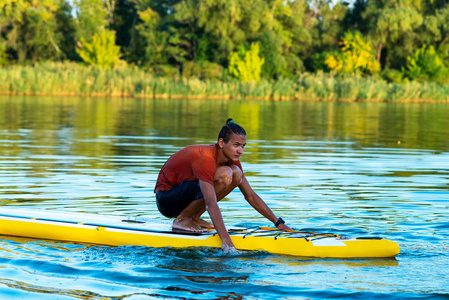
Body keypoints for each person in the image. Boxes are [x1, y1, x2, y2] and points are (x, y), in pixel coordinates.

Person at [154, 118, 291, 252]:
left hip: (185, 196)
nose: (240, 151)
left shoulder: (232, 160)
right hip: (166, 199)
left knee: (236, 174)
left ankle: (193, 217)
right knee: (225, 175)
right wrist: (226, 241)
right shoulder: (205, 158)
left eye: (243, 146)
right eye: (236, 145)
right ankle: (182, 219)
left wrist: (278, 223)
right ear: (221, 143)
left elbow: (250, 195)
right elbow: (210, 203)